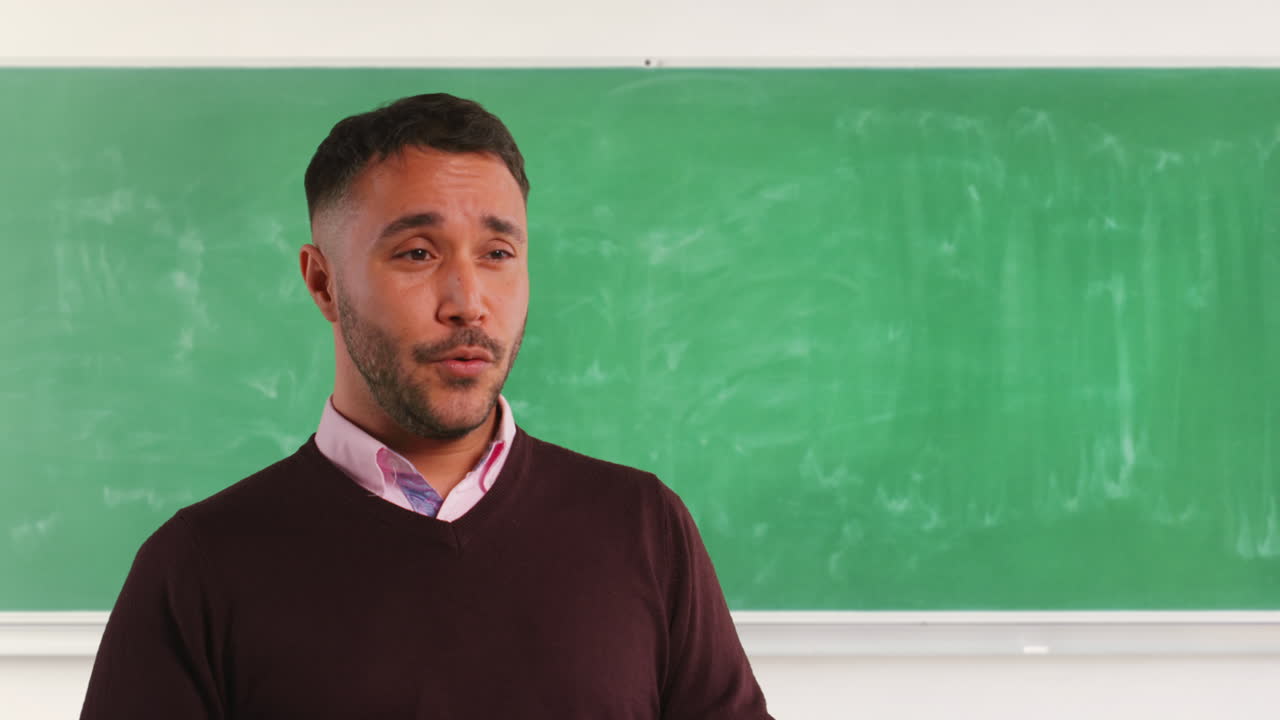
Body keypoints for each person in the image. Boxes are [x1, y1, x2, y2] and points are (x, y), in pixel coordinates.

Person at [80, 93, 773, 719]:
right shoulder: (198, 567)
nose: (469, 302)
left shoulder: (643, 528)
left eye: (498, 253)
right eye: (417, 253)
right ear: (322, 284)